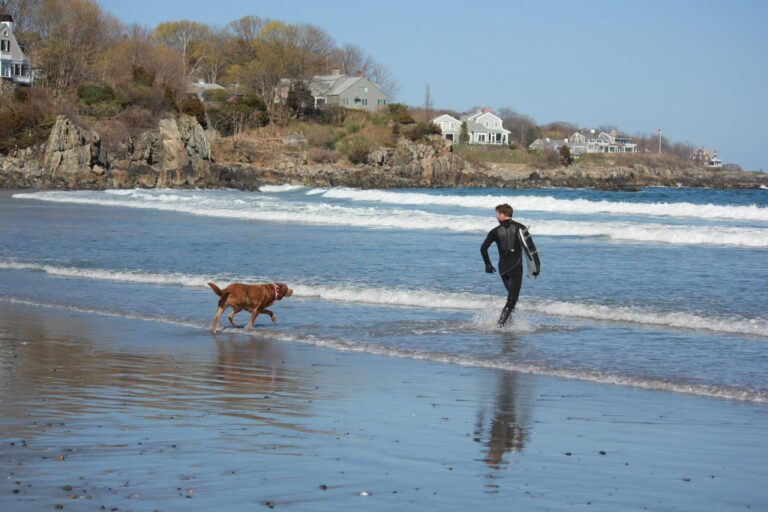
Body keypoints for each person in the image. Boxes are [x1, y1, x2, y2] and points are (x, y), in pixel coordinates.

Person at [480, 203, 541, 327]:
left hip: (503, 269)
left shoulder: (494, 231)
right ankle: (500, 325)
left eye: (497, 214)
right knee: (512, 299)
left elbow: (483, 248)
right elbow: (531, 249)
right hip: (515, 268)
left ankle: (508, 322)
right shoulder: (521, 228)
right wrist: (536, 267)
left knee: (512, 298)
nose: (496, 217)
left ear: (503, 214)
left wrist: (488, 265)